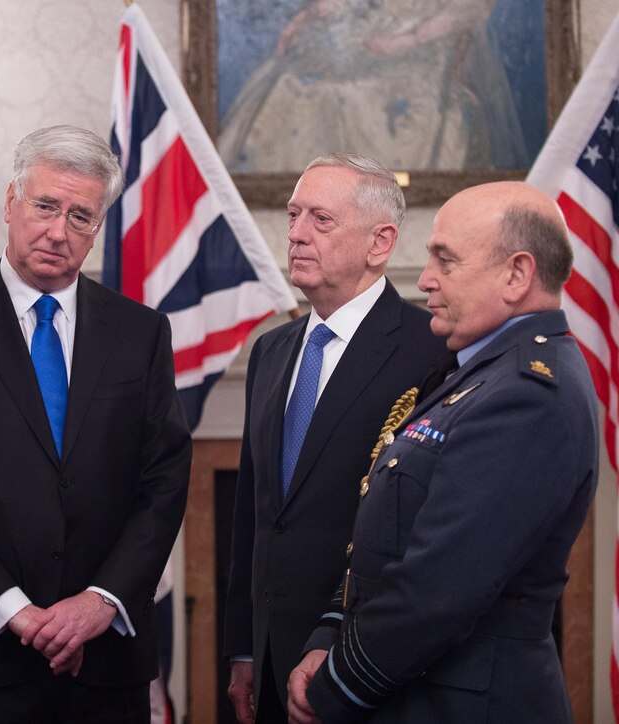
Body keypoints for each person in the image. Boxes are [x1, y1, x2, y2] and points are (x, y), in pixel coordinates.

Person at [0, 125, 191, 722]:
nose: (59, 231)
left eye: (81, 216)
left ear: (99, 227)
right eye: (45, 206)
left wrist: (101, 602)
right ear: (10, 202)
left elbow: (164, 482)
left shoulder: (141, 333)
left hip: (107, 669)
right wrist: (16, 612)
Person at [286, 181, 598, 723]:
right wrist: (330, 631)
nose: (425, 280)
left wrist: (335, 687)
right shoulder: (476, 373)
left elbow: (438, 590)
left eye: (444, 260)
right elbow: (382, 540)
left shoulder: (525, 394)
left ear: (517, 274)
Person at [222, 153, 445, 723]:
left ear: (380, 242)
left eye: (320, 220)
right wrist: (244, 647)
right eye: (294, 215)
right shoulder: (271, 351)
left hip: (366, 664)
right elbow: (256, 514)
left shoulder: (433, 351)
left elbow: (421, 528)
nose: (295, 234)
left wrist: (342, 642)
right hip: (271, 660)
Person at [216, 0, 528, 173]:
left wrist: (408, 40)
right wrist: (308, 15)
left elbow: (468, 11)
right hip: (370, 49)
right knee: (286, 84)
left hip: (424, 62)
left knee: (345, 98)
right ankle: (298, 192)